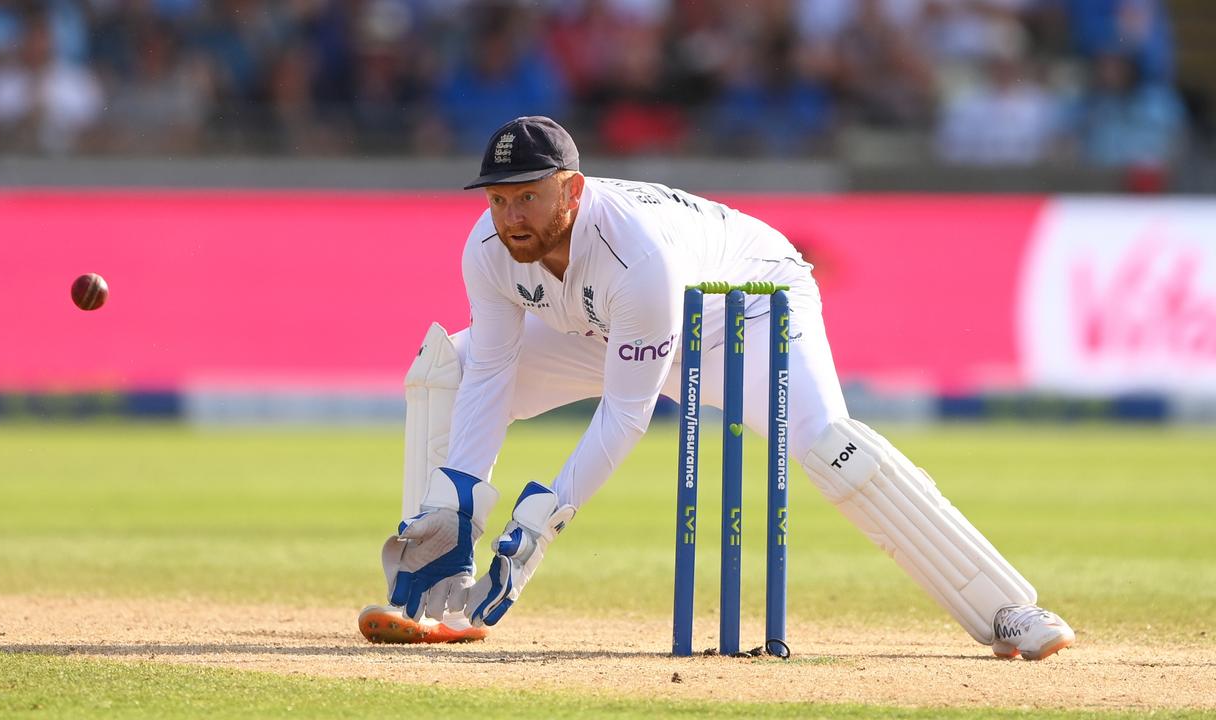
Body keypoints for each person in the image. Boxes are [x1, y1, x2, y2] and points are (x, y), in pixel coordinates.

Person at [358, 116, 1075, 660]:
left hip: (745, 307)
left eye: (528, 198)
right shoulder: (488, 248)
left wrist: (541, 522)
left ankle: (1005, 609)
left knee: (829, 446)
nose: (511, 217)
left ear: (572, 189)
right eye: (498, 200)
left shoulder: (632, 252)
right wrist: (463, 490)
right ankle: (437, 588)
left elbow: (626, 413)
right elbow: (491, 372)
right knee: (445, 372)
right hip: (609, 329)